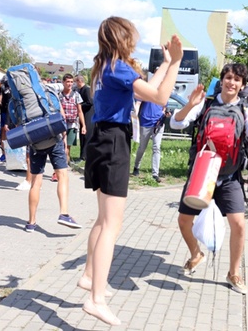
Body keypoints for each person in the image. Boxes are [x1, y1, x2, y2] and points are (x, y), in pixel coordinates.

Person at [79, 16, 183, 326]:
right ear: (123, 38)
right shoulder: (119, 67)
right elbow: (160, 98)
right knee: (112, 224)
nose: (135, 42)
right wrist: (177, 62)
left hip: (102, 139)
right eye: (132, 37)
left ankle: (88, 276)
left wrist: (164, 65)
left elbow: (147, 89)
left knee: (102, 219)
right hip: (113, 143)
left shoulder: (106, 66)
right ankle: (96, 299)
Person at [170, 63, 248, 295]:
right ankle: (196, 254)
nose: (231, 83)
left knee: (238, 224)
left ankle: (233, 273)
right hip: (202, 174)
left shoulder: (246, 110)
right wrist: (190, 104)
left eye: (237, 80)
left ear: (242, 85)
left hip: (228, 177)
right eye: (228, 78)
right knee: (183, 221)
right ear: (222, 80)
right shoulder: (206, 104)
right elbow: (176, 123)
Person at [23, 77, 82, 232]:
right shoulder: (49, 92)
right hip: (53, 139)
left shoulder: (22, 98)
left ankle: (31, 222)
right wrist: (63, 135)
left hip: (35, 142)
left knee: (36, 182)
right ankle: (63, 213)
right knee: (62, 175)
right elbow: (61, 116)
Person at [132, 94, 168, 183]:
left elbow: (164, 107)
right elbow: (138, 104)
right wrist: (134, 116)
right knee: (142, 147)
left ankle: (155, 174)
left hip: (158, 123)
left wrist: (165, 113)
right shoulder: (146, 90)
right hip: (145, 122)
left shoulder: (163, 92)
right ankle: (136, 167)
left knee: (156, 148)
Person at [59, 73, 86, 165]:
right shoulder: (59, 95)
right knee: (61, 145)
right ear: (63, 82)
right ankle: (61, 165)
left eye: (71, 82)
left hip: (72, 124)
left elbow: (80, 111)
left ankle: (65, 165)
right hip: (60, 124)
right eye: (67, 82)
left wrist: (83, 126)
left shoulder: (76, 95)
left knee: (68, 146)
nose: (69, 84)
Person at [75, 75, 94, 161]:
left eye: (76, 81)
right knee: (82, 136)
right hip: (83, 114)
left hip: (88, 114)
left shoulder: (86, 89)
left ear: (80, 81)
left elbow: (90, 102)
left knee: (86, 135)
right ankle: (82, 155)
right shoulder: (80, 90)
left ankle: (84, 155)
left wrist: (79, 106)